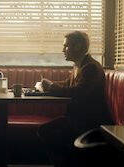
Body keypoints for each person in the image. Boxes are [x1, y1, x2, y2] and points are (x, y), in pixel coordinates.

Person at [38, 31, 114, 167]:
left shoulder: (90, 67)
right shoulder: (80, 65)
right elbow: (67, 84)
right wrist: (50, 84)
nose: (63, 50)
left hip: (90, 123)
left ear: (78, 47)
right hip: (78, 119)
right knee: (46, 130)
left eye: (66, 46)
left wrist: (51, 87)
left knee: (48, 132)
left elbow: (78, 92)